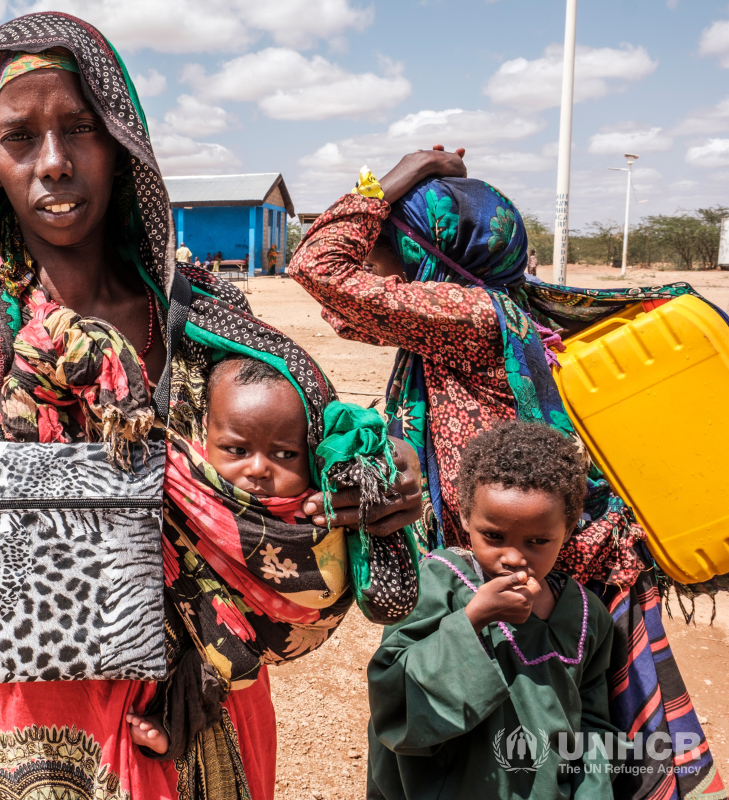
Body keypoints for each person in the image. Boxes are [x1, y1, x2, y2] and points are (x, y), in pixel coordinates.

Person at [0, 15, 422, 799]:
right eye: (19, 138)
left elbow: (332, 445)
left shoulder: (205, 324)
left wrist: (384, 474)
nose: (54, 162)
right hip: (28, 749)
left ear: (122, 143)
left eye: (80, 129)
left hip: (206, 731)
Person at [287, 150, 724, 798]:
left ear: (426, 251)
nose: (377, 257)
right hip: (520, 565)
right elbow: (345, 308)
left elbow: (318, 266)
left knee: (520, 753)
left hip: (526, 576)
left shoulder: (469, 314)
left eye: (389, 240)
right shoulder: (477, 315)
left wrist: (396, 177)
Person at [368, 421, 619, 799]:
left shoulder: (585, 614)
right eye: (494, 537)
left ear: (567, 530)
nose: (514, 557)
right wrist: (474, 618)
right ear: (466, 517)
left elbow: (593, 723)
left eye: (538, 541)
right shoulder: (438, 581)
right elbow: (392, 697)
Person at [126, 355, 317, 753]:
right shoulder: (191, 488)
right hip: (205, 621)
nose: (260, 469)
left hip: (268, 629)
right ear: (202, 443)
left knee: (221, 664)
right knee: (211, 659)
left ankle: (170, 725)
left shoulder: (314, 506)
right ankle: (169, 725)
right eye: (236, 450)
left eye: (285, 454)